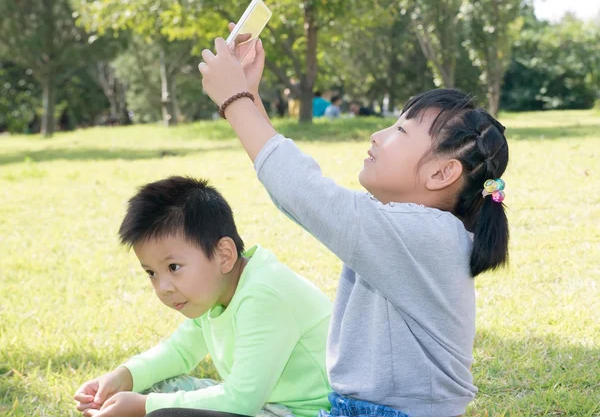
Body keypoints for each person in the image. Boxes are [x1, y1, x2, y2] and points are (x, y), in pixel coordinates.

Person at [197, 34, 510, 417]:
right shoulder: (416, 229)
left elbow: (301, 192)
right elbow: (295, 196)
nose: (377, 135)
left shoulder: (426, 236)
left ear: (443, 173)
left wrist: (235, 100)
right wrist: (247, 95)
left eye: (400, 131)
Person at [73, 176, 332, 417]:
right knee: (148, 388)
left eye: (173, 267)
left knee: (156, 408)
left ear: (224, 255)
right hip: (266, 406)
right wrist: (124, 376)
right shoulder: (217, 291)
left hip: (311, 412)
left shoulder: (263, 295)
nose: (163, 287)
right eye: (151, 272)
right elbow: (179, 351)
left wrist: (144, 407)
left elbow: (240, 402)